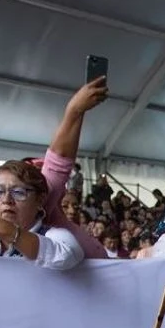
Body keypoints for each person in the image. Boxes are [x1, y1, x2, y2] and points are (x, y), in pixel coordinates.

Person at [39, 78, 112, 260]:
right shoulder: (46, 226)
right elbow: (57, 163)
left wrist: (77, 112)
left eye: (74, 205)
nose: (71, 210)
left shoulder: (62, 225)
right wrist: (74, 111)